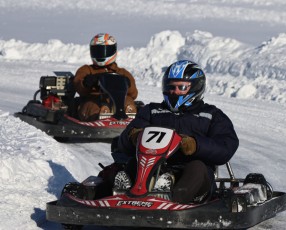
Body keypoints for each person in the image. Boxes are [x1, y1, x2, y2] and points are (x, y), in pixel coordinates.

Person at [116, 60, 239, 204]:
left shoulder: (211, 115)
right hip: (154, 168)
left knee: (197, 168)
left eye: (181, 87)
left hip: (193, 176)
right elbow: (122, 143)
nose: (174, 92)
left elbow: (226, 146)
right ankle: (123, 196)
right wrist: (135, 136)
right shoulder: (151, 111)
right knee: (131, 163)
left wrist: (196, 145)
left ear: (196, 87)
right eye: (171, 87)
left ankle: (172, 202)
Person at [73, 33, 138, 121]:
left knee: (128, 102)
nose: (101, 54)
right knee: (94, 107)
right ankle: (102, 117)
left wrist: (128, 84)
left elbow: (134, 94)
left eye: (105, 50)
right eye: (98, 51)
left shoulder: (121, 72)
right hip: (93, 99)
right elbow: (78, 85)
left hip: (119, 102)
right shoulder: (86, 70)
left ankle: (129, 119)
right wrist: (86, 82)